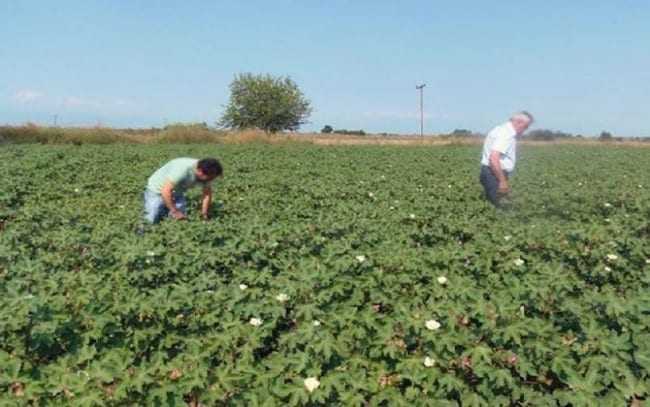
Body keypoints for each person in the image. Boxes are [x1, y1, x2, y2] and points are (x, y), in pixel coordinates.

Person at [143, 157, 223, 223]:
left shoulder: (208, 172)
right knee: (152, 215)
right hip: (157, 189)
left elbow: (207, 194)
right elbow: (165, 191)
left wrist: (204, 214)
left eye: (213, 178)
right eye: (210, 178)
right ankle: (141, 234)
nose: (210, 180)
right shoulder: (182, 169)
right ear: (200, 171)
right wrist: (174, 211)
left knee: (180, 218)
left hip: (178, 190)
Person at [479, 112, 533, 207]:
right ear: (518, 122)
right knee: (501, 208)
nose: (524, 130)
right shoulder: (506, 134)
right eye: (525, 127)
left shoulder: (499, 129)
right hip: (494, 174)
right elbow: (494, 158)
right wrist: (502, 181)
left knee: (493, 205)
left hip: (490, 172)